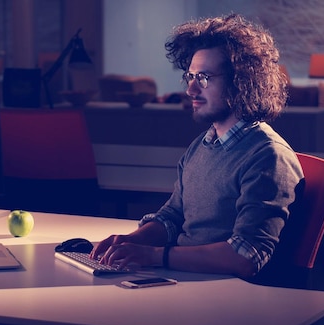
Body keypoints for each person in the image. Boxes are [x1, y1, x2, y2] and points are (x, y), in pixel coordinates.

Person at [90, 14, 304, 279]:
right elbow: (173, 215)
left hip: (226, 298)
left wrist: (154, 256)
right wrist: (131, 241)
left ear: (241, 83)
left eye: (203, 77)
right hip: (180, 277)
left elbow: (245, 256)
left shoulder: (268, 156)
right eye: (190, 76)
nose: (190, 89)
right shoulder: (202, 144)